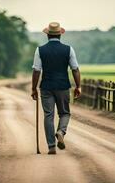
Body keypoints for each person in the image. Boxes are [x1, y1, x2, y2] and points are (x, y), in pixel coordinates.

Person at [31, 22, 81, 155]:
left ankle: (51, 146)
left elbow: (36, 70)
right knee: (64, 113)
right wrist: (78, 86)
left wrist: (33, 88)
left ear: (47, 35)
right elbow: (75, 69)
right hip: (63, 86)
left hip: (46, 86)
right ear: (60, 34)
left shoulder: (40, 50)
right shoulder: (69, 49)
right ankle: (60, 132)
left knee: (48, 115)